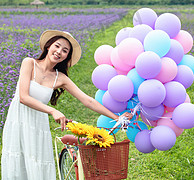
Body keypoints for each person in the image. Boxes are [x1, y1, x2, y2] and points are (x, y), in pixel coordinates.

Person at [1, 29, 132, 180]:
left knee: (37, 164)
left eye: (64, 51)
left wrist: (116, 117)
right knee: (17, 163)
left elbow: (87, 100)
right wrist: (52, 111)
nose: (59, 52)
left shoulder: (60, 77)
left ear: (66, 57)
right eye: (57, 46)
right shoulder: (29, 63)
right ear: (48, 46)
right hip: (18, 121)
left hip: (38, 126)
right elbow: (23, 97)